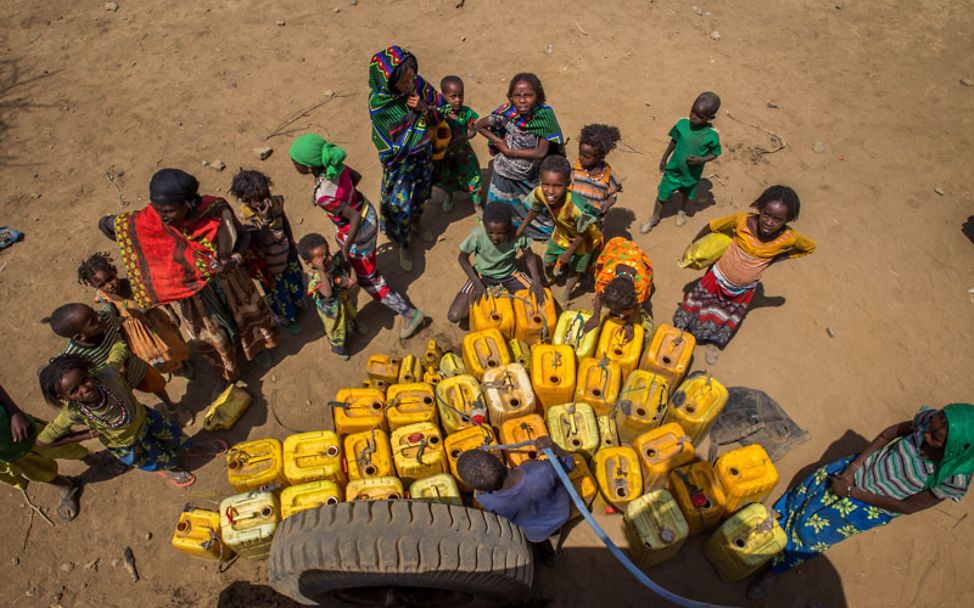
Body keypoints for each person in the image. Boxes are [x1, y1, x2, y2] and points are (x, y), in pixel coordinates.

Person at [748, 403, 974, 600]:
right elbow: (890, 433)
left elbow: (907, 506)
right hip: (854, 472)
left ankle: (772, 571)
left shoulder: (953, 477)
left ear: (957, 448)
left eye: (936, 439)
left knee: (810, 533)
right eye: (930, 429)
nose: (926, 436)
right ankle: (777, 517)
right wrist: (853, 467)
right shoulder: (929, 422)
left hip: (868, 506)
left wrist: (852, 493)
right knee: (808, 493)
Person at [99, 168, 278, 382]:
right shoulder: (150, 221)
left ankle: (256, 349)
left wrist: (234, 259)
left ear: (188, 202)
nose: (162, 217)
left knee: (244, 318)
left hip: (230, 281)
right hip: (193, 297)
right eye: (157, 210)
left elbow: (243, 237)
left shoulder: (216, 210)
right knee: (213, 335)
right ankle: (229, 369)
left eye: (168, 211)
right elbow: (107, 225)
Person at [289, 133, 427, 339]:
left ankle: (410, 314)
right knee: (365, 261)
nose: (294, 166)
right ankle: (368, 267)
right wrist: (348, 197)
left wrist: (345, 250)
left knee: (368, 279)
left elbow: (352, 217)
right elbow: (356, 179)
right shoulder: (336, 166)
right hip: (367, 214)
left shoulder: (323, 195)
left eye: (295, 162)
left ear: (308, 167)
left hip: (358, 230)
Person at [673, 185, 815, 364]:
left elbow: (808, 247)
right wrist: (693, 247)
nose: (769, 222)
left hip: (743, 290)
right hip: (716, 277)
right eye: (766, 214)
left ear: (787, 220)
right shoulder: (741, 221)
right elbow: (711, 226)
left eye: (778, 219)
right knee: (700, 303)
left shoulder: (789, 238)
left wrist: (775, 258)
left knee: (724, 315)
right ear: (760, 207)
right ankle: (682, 329)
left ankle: (713, 343)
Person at [36, 355, 196, 488]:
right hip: (127, 443)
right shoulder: (72, 413)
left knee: (174, 435)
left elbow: (119, 349)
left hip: (146, 419)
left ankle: (191, 447)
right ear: (64, 398)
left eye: (84, 380)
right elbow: (43, 442)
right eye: (74, 391)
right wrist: (86, 435)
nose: (84, 389)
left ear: (87, 371)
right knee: (155, 458)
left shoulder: (109, 376)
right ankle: (168, 469)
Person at [368, 45, 452, 272]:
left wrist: (425, 108)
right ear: (388, 83)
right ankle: (403, 244)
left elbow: (443, 110)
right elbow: (386, 141)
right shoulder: (379, 104)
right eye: (404, 82)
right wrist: (405, 146)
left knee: (422, 196)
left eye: (411, 78)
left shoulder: (418, 86)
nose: (409, 84)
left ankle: (417, 224)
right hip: (399, 166)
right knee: (400, 206)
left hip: (423, 158)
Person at [45, 303, 179, 416]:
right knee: (128, 406)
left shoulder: (106, 319)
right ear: (79, 338)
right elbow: (58, 373)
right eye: (92, 321)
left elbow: (110, 307)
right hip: (114, 386)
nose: (99, 316)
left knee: (157, 385)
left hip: (136, 367)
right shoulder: (74, 356)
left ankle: (170, 407)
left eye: (94, 312)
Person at [456, 437, 574, 565]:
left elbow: (481, 493)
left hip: (535, 532)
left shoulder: (485, 499)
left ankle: (549, 557)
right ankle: (553, 553)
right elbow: (569, 463)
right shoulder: (541, 470)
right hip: (561, 514)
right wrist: (555, 447)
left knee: (543, 543)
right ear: (499, 460)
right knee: (555, 533)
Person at [476, 73, 564, 239]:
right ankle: (500, 231)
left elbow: (541, 152)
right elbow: (479, 125)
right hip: (503, 172)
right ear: (511, 97)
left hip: (528, 175)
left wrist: (509, 151)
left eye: (528, 95)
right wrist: (499, 142)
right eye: (517, 96)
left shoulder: (545, 117)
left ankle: (530, 231)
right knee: (499, 212)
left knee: (536, 211)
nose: (522, 101)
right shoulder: (507, 114)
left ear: (538, 96)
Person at [77, 251, 191, 377]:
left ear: (114, 271)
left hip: (155, 321)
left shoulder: (134, 284)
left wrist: (171, 313)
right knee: (152, 353)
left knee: (172, 341)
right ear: (95, 286)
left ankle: (182, 362)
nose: (109, 286)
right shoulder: (103, 297)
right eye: (102, 285)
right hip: (136, 333)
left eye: (110, 279)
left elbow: (156, 296)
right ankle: (171, 368)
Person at [1, 383, 93, 520]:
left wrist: (14, 412)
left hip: (13, 427)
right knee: (33, 471)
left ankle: (94, 459)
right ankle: (65, 485)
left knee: (61, 446)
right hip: (4, 458)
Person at [228, 169, 305, 334]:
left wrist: (291, 243)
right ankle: (287, 318)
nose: (266, 200)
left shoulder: (275, 202)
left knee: (294, 279)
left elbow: (284, 221)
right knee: (279, 294)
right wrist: (266, 219)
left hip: (285, 252)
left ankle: (298, 300)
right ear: (246, 200)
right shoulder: (246, 217)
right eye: (260, 198)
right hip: (268, 265)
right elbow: (259, 239)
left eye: (267, 193)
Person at [517, 155, 602, 300]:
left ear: (568, 184)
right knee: (548, 260)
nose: (550, 191)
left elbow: (585, 233)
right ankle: (549, 278)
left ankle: (567, 292)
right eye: (546, 184)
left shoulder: (576, 208)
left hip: (583, 241)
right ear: (540, 182)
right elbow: (535, 208)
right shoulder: (540, 193)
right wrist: (522, 228)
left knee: (576, 269)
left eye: (557, 186)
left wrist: (568, 253)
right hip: (562, 233)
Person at [447, 202, 546, 324]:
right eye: (490, 233)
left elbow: (530, 257)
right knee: (454, 316)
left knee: (541, 305)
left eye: (500, 233)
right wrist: (476, 282)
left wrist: (536, 281)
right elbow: (462, 258)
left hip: (510, 276)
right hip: (482, 275)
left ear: (509, 228)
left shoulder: (517, 235)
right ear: (484, 227)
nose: (495, 237)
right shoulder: (477, 235)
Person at [640, 92, 722, 233]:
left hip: (691, 174)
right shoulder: (682, 124)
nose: (693, 117)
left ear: (710, 118)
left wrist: (701, 160)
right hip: (674, 170)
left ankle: (682, 211)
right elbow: (674, 141)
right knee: (662, 195)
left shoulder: (712, 135)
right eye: (693, 112)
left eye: (700, 116)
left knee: (687, 194)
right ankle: (654, 218)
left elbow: (714, 153)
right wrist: (664, 158)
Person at [296, 233, 360, 360]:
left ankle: (353, 328)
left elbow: (345, 261)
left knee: (349, 316)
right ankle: (338, 348)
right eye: (322, 258)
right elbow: (328, 293)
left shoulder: (332, 262)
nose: (329, 258)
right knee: (337, 331)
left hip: (343, 301)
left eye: (328, 253)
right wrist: (322, 271)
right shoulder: (314, 278)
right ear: (309, 263)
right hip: (332, 314)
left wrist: (352, 275)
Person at [583, 237, 654, 340]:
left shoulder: (641, 286)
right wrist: (595, 316)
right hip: (616, 246)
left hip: (635, 255)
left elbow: (637, 305)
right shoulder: (605, 277)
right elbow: (599, 295)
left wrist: (630, 323)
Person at [433, 75, 484, 214]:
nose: (458, 100)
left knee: (474, 178)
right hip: (445, 156)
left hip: (464, 154)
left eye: (460, 96)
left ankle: (477, 205)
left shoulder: (465, 112)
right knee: (446, 180)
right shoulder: (440, 114)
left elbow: (474, 129)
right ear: (444, 96)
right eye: (453, 96)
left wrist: (463, 137)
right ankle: (449, 196)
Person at [572, 124, 623, 218]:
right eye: (580, 153)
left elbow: (613, 196)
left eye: (586, 157)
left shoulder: (608, 175)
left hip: (594, 220)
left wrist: (606, 205)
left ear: (600, 156)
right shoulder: (575, 169)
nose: (580, 158)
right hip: (573, 216)